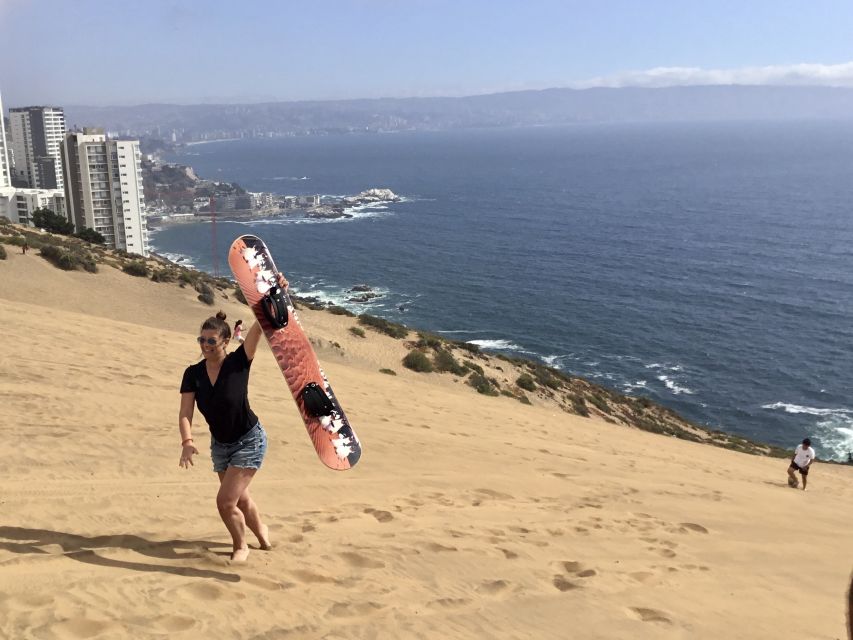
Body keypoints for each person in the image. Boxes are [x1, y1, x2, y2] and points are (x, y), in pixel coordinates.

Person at [178, 276, 285, 561]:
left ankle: (241, 546)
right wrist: (187, 441)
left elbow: (261, 327)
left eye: (211, 340)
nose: (205, 345)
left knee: (225, 502)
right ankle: (261, 532)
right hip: (221, 445)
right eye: (201, 340)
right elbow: (186, 412)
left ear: (226, 340)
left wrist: (275, 293)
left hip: (249, 440)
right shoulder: (193, 373)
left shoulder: (239, 362)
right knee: (240, 498)